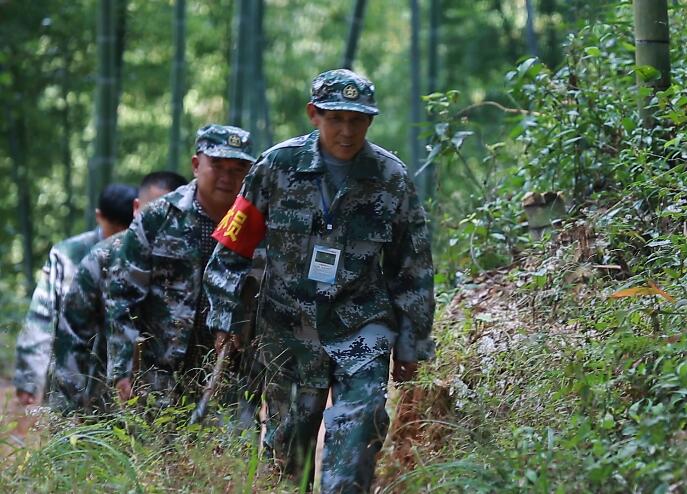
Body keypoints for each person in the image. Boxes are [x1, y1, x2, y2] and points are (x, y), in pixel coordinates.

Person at [204, 69, 435, 492]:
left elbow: (412, 267)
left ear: (370, 122)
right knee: (289, 456)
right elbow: (233, 248)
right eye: (336, 119)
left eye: (357, 120)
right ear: (314, 114)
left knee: (357, 435)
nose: (346, 131)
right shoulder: (275, 167)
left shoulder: (391, 177)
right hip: (287, 330)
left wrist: (411, 343)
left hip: (361, 326)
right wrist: (224, 316)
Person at [105, 125, 255, 405]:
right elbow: (122, 295)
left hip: (229, 374)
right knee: (155, 448)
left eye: (238, 169)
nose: (227, 176)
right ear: (197, 165)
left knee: (222, 449)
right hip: (158, 372)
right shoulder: (157, 218)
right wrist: (121, 368)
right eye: (218, 165)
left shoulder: (256, 225)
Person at [51, 171, 188, 412]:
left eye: (170, 214)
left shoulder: (202, 259)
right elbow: (72, 336)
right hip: (108, 406)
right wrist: (68, 412)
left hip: (184, 408)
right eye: (153, 210)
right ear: (137, 208)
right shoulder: (105, 256)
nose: (160, 221)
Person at [13, 183, 139, 407]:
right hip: (71, 369)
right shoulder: (67, 254)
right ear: (99, 217)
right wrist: (28, 378)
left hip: (123, 374)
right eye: (115, 228)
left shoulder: (144, 252)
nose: (120, 236)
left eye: (126, 228)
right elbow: (42, 315)